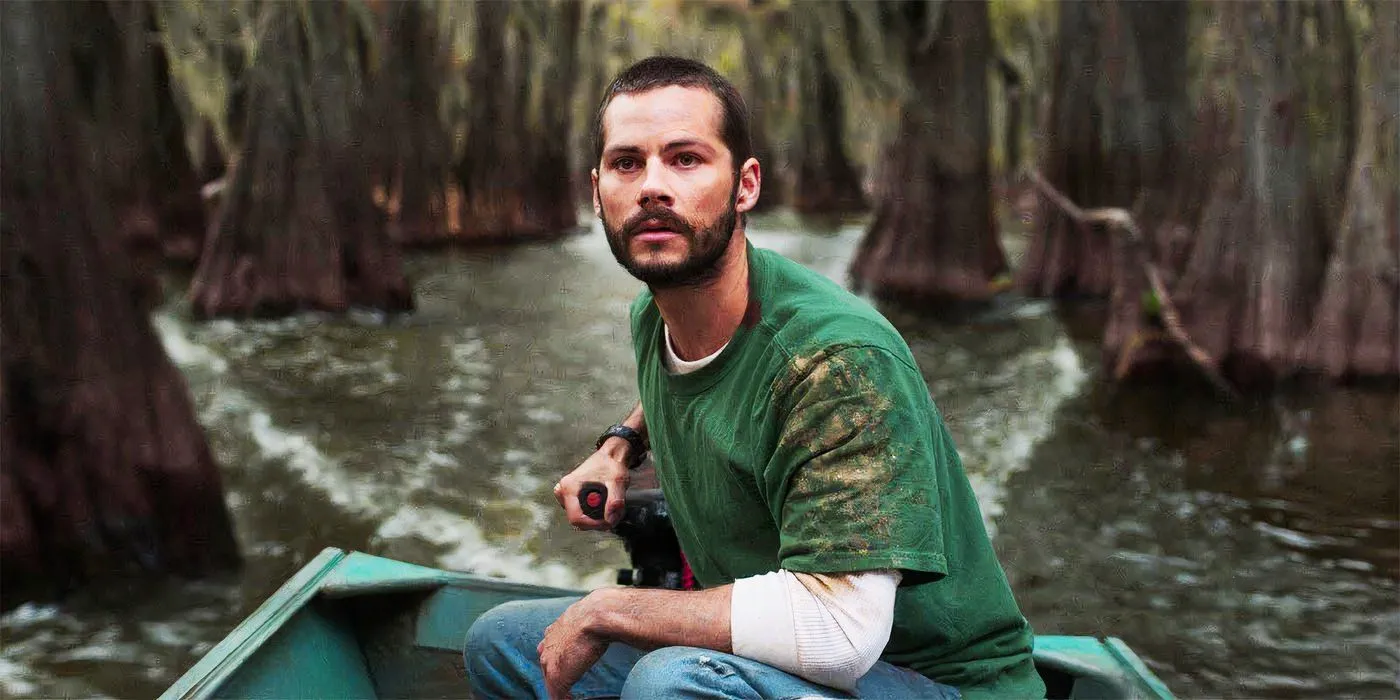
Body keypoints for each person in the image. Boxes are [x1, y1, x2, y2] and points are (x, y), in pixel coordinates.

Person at [464, 56, 1046, 700]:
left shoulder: (838, 362)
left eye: (685, 159)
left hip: (935, 682)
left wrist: (610, 608)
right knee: (501, 643)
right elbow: (701, 380)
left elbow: (838, 634)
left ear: (745, 186)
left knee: (672, 682)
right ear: (597, 189)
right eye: (629, 163)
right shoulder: (654, 318)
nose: (653, 185)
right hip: (787, 662)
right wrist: (619, 446)